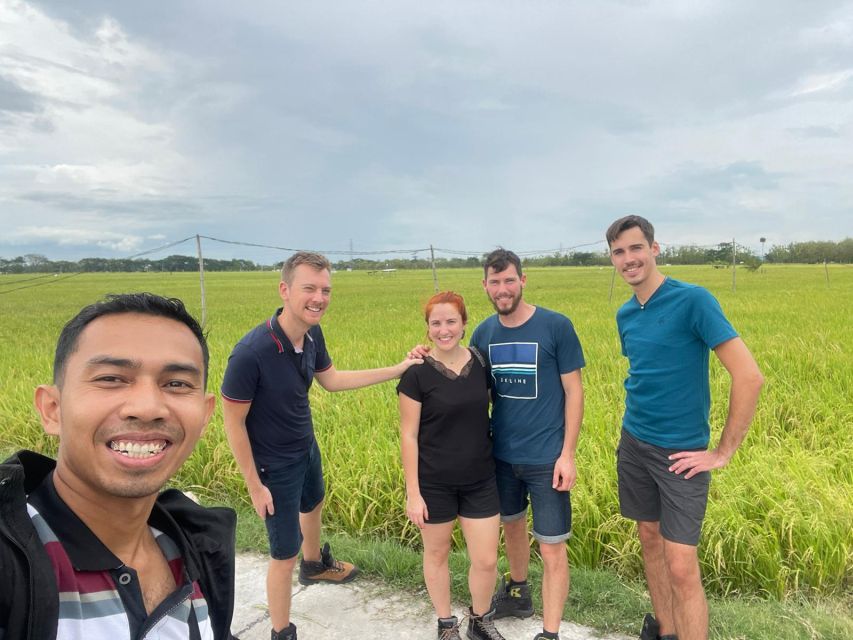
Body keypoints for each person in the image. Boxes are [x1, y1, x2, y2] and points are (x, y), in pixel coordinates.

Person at [0, 293, 237, 640]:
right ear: (52, 409)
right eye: (111, 378)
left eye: (176, 384)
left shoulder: (197, 550)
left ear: (204, 416)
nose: (147, 407)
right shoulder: (12, 564)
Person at [221, 251, 421, 640]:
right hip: (272, 464)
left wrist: (398, 368)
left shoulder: (312, 333)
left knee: (313, 503)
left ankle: (313, 566)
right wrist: (254, 484)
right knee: (283, 552)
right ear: (285, 290)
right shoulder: (252, 353)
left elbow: (331, 380)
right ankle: (282, 630)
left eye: (325, 290)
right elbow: (233, 424)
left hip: (304, 444)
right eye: (309, 288)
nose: (319, 298)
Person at [606, 215, 764, 640]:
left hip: (681, 455)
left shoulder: (694, 300)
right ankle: (665, 630)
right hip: (634, 441)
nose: (628, 259)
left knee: (681, 566)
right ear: (612, 259)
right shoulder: (626, 313)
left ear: (655, 250)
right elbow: (645, 373)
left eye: (636, 248)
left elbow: (749, 376)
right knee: (649, 538)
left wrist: (722, 452)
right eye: (619, 252)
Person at [472, 249, 586, 640]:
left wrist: (567, 455)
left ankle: (550, 632)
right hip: (501, 456)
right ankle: (518, 592)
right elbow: (472, 390)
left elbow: (574, 391)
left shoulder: (556, 326)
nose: (502, 289)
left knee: (552, 546)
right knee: (512, 525)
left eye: (509, 280)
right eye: (494, 282)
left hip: (547, 459)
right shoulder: (483, 334)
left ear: (523, 280)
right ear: (485, 286)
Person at [398, 291, 506, 640]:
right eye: (436, 323)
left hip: (480, 478)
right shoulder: (416, 374)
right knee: (437, 552)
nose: (443, 329)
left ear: (464, 323)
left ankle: (480, 619)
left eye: (450, 321)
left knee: (487, 559)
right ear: (427, 329)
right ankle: (446, 623)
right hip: (434, 483)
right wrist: (413, 493)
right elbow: (409, 436)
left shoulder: (481, 362)